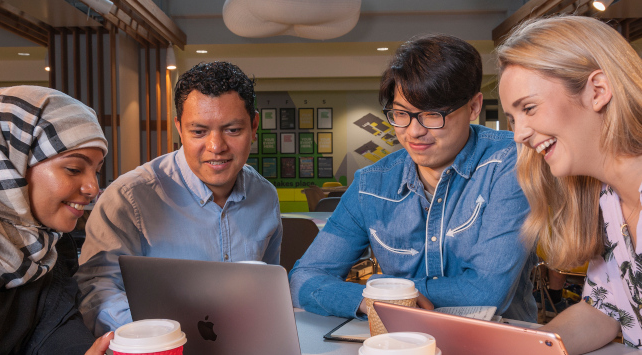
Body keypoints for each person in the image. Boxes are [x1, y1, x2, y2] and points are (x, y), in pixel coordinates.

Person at [289, 34, 537, 322]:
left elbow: (486, 292)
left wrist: (391, 294)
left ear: (473, 106)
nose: (414, 131)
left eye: (432, 115)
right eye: (401, 114)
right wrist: (369, 301)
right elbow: (304, 278)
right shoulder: (371, 185)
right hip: (403, 342)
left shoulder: (509, 162)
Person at [76, 61, 283, 336]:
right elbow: (97, 292)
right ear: (179, 128)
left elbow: (266, 288)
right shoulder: (130, 198)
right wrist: (161, 340)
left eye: (232, 130)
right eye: (198, 132)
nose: (216, 147)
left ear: (254, 125)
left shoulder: (264, 195)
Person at [497, 15, 642, 353]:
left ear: (598, 91)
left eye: (529, 108)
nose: (518, 134)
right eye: (513, 119)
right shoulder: (608, 201)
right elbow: (601, 312)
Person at [0, 86, 113, 354]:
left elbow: (58, 330)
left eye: (96, 171)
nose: (92, 188)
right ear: (9, 162)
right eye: (74, 169)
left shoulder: (44, 249)